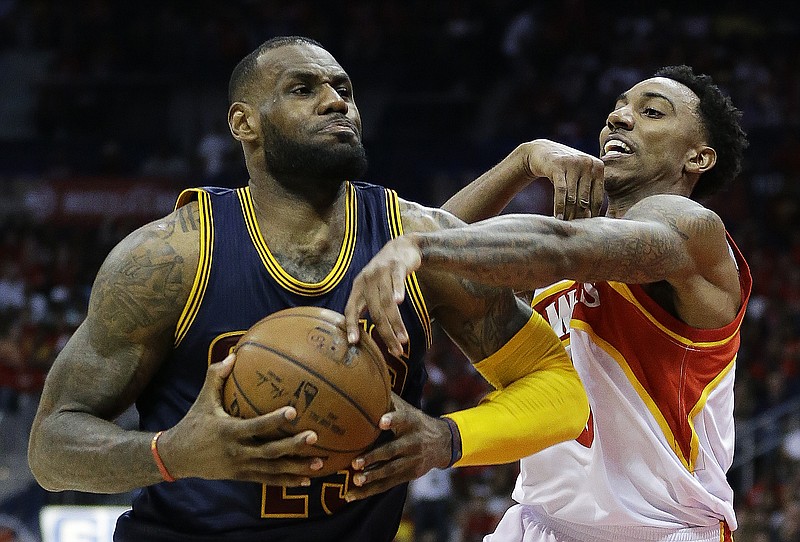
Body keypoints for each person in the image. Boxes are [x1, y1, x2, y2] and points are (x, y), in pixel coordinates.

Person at [27, 36, 588, 542]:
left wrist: (447, 437)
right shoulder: (168, 257)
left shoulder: (420, 242)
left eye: (344, 89)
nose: (337, 101)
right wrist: (170, 453)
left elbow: (562, 389)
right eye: (304, 88)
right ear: (244, 123)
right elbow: (51, 448)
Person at [344, 65, 751, 541]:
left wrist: (422, 247)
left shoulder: (693, 230)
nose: (619, 118)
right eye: (618, 107)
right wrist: (522, 161)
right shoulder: (565, 252)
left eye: (652, 112)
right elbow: (431, 276)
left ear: (697, 158)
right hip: (541, 522)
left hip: (659, 529)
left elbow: (551, 245)